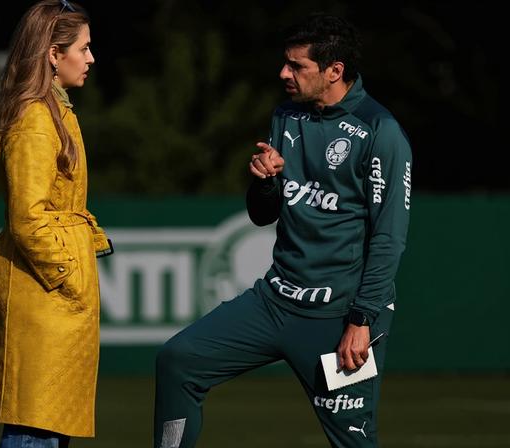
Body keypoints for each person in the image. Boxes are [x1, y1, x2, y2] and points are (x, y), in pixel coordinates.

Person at [154, 13, 412, 448]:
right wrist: (265, 182)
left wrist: (362, 319)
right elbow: (262, 215)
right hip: (274, 302)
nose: (283, 73)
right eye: (285, 63)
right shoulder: (287, 115)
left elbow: (389, 238)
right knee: (178, 360)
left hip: (339, 319)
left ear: (335, 71)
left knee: (353, 441)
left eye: (297, 66)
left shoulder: (380, 132)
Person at [0, 1, 112, 446]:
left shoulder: (56, 110)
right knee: (35, 424)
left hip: (51, 291)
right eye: (84, 48)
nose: (91, 58)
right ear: (54, 55)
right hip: (42, 288)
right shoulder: (36, 117)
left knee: (49, 421)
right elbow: (26, 217)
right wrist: (66, 273)